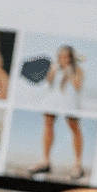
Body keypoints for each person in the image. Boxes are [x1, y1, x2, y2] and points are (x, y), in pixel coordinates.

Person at [30, 44, 87, 181]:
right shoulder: (54, 67)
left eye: (67, 56)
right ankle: (45, 161)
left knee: (75, 129)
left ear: (71, 57)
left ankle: (78, 164)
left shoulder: (77, 69)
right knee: (48, 125)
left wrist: (70, 73)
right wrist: (52, 72)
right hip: (53, 100)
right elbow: (48, 83)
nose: (64, 59)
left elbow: (78, 87)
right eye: (61, 56)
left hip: (70, 102)